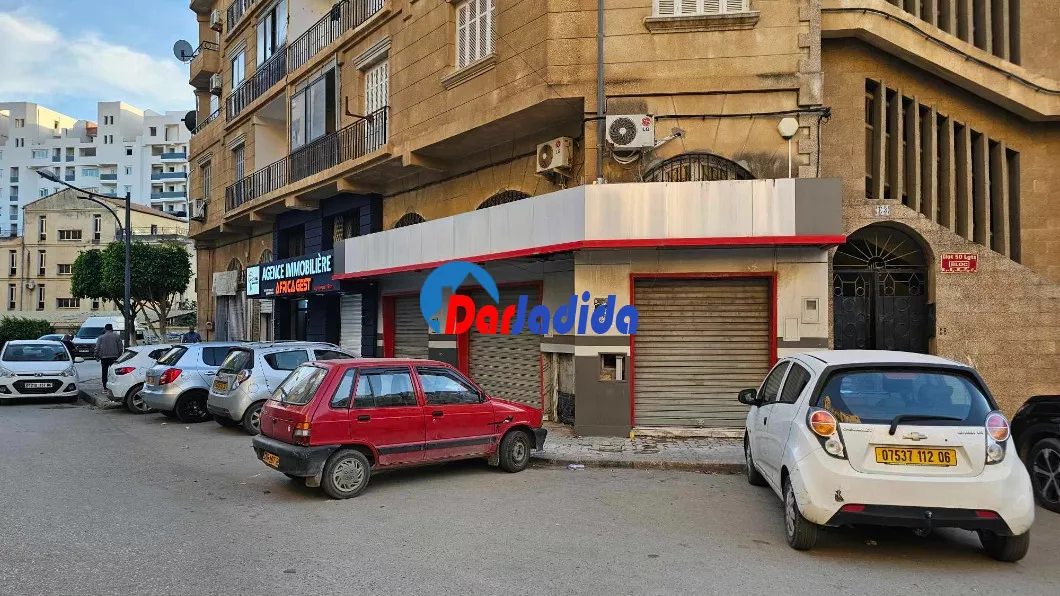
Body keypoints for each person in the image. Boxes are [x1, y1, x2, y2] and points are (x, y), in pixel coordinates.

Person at [94, 324, 124, 391]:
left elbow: (97, 348)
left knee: (104, 372)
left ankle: (105, 387)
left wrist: (96, 355)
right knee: (114, 372)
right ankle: (114, 386)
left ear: (105, 329)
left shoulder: (101, 337)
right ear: (112, 329)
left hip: (104, 357)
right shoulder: (117, 337)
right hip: (114, 357)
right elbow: (120, 347)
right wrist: (119, 355)